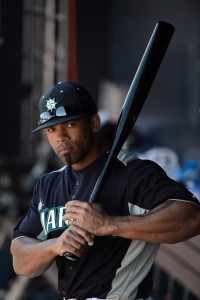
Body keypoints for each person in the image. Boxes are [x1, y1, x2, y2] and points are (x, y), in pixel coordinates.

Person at [10, 81, 200, 300]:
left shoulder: (131, 172)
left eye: (70, 124)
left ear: (93, 122)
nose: (60, 136)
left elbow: (192, 217)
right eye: (52, 129)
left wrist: (109, 224)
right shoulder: (48, 184)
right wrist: (54, 245)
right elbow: (21, 259)